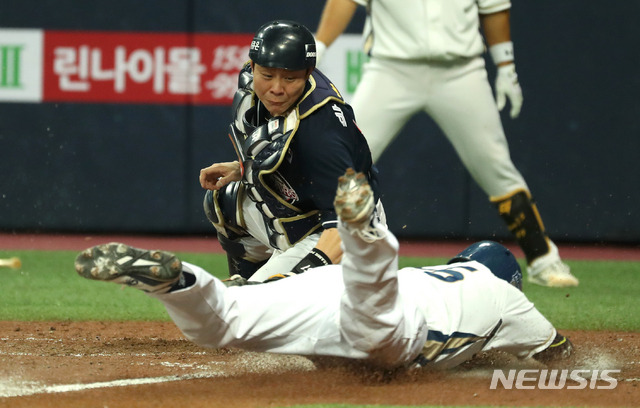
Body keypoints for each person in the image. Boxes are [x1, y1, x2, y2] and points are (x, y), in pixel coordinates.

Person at [75, 169, 573, 371]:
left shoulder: (439, 274)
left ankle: (178, 282)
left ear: (460, 263)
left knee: (223, 320)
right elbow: (560, 356)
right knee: (373, 303)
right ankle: (362, 231)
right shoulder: (507, 296)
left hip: (324, 289)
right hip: (398, 326)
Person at [313, 0, 579, 288]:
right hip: (391, 69)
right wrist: (320, 46)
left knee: (495, 164)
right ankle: (309, 251)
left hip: (462, 71)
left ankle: (543, 258)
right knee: (343, 161)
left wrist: (506, 66)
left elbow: (493, 7)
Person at [199, 19, 385, 283]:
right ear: (253, 67)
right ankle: (250, 283)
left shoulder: (322, 134)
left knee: (254, 306)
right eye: (267, 75)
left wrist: (298, 277)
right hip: (306, 218)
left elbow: (349, 226)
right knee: (226, 200)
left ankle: (260, 295)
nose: (276, 87)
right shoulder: (255, 86)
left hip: (352, 237)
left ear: (308, 72)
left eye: (289, 78)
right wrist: (240, 168)